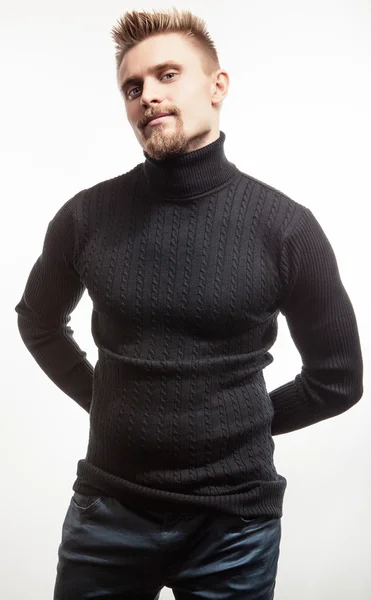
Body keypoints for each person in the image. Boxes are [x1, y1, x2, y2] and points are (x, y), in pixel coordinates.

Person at [14, 7, 363, 600]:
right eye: (133, 86)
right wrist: (104, 401)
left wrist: (240, 424)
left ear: (218, 85)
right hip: (109, 514)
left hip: (234, 527)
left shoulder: (286, 229)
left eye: (167, 74)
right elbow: (39, 322)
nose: (147, 95)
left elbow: (339, 378)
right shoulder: (85, 217)